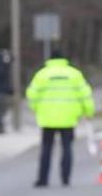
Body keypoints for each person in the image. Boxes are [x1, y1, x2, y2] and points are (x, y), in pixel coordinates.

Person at [26, 50, 95, 187]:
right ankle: (65, 178)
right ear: (64, 59)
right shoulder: (74, 74)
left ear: (50, 59)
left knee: (46, 149)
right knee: (67, 147)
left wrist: (35, 109)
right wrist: (88, 112)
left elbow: (31, 94)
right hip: (68, 117)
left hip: (47, 118)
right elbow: (85, 94)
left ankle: (43, 179)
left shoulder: (42, 74)